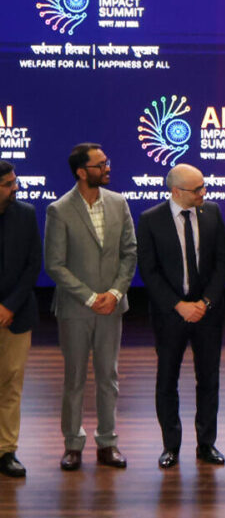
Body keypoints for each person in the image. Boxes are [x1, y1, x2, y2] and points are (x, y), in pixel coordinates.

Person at [44, 143, 137, 472]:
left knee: (108, 377)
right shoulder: (59, 210)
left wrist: (114, 293)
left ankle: (107, 442)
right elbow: (55, 264)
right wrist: (89, 297)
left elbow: (129, 253)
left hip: (112, 306)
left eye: (106, 162)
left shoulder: (119, 203)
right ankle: (73, 444)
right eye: (100, 164)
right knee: (74, 379)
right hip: (75, 309)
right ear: (82, 172)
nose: (107, 168)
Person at [137, 163, 225, 468]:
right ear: (176, 191)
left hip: (207, 313)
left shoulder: (212, 212)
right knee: (167, 380)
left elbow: (222, 262)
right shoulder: (151, 220)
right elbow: (149, 271)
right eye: (197, 189)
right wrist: (179, 305)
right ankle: (171, 446)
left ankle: (207, 444)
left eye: (203, 186)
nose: (204, 192)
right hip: (170, 314)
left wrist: (205, 302)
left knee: (209, 379)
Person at [0, 162, 41, 478]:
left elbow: (33, 264)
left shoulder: (26, 214)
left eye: (15, 182)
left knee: (11, 384)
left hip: (16, 314)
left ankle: (6, 450)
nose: (15, 188)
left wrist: (9, 305)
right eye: (7, 184)